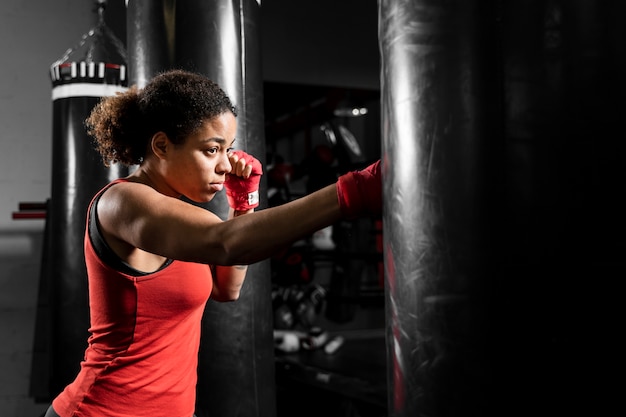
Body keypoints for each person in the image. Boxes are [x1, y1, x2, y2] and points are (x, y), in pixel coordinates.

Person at [43, 69, 381, 417]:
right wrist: (355, 191)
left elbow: (227, 287)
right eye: (211, 149)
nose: (224, 165)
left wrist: (243, 204)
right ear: (161, 146)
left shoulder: (180, 219)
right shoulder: (123, 203)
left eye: (228, 149)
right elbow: (225, 244)